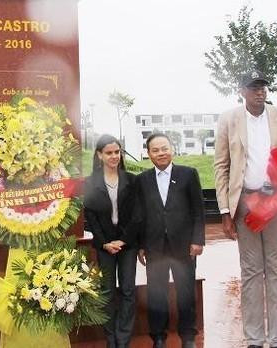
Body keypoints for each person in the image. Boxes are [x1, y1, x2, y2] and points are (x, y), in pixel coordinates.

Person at [213, 70, 277, 348]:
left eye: (263, 87)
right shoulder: (229, 119)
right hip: (245, 204)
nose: (260, 92)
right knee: (250, 271)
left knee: (276, 269)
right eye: (254, 87)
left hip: (273, 203)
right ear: (242, 91)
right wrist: (225, 210)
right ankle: (254, 338)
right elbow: (221, 165)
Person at [136, 132, 205, 348]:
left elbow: (198, 210)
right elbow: (139, 214)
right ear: (148, 154)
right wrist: (140, 245)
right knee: (157, 292)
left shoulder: (188, 174)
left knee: (185, 291)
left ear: (172, 149)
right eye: (155, 150)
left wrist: (197, 240)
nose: (161, 153)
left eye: (164, 148)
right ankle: (158, 336)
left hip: (183, 245)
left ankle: (188, 336)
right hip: (154, 246)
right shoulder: (142, 180)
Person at [83, 134, 139, 348]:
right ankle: (111, 340)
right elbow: (91, 217)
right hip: (104, 246)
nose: (114, 156)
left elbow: (137, 215)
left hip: (128, 245)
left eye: (117, 152)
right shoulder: (90, 183)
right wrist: (105, 242)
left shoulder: (132, 180)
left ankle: (123, 340)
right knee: (106, 291)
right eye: (109, 153)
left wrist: (123, 241)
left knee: (127, 290)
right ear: (99, 155)